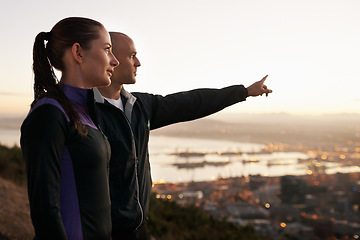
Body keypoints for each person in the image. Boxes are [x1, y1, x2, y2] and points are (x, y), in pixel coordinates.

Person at [94, 32, 272, 240]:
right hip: (101, 232)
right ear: (109, 58)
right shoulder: (82, 110)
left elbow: (191, 102)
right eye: (132, 56)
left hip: (138, 228)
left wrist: (243, 92)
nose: (139, 63)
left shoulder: (140, 106)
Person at [20, 17, 119, 240]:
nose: (115, 60)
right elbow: (45, 211)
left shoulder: (85, 112)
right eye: (107, 49)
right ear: (78, 53)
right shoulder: (49, 113)